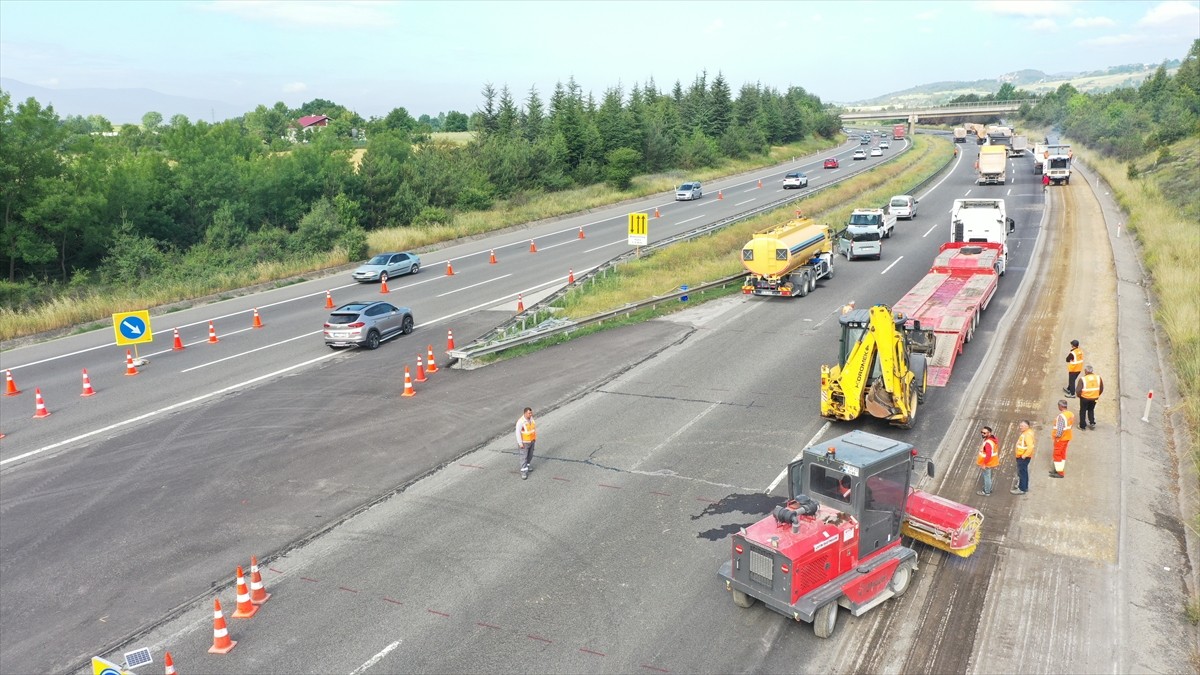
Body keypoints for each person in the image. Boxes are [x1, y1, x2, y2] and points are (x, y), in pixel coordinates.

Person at [1049, 400, 1074, 478]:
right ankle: (1058, 469)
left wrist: (1057, 437)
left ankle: (1060, 473)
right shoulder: (1070, 414)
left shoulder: (1061, 417)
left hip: (1060, 439)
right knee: (1062, 454)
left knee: (1057, 454)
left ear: (1060, 406)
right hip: (1067, 437)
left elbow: (1059, 429)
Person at [1011, 420, 1035, 495]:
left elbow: (1030, 447)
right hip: (1023, 456)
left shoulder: (1027, 435)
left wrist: (1024, 455)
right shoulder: (1028, 432)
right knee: (1024, 472)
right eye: (1020, 425)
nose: (1020, 427)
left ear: (1027, 426)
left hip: (1023, 457)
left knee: (1022, 472)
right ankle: (1024, 486)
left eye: (1022, 426)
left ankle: (1022, 489)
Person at [1077, 365, 1104, 430]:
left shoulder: (1082, 379)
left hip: (1084, 398)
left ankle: (1082, 426)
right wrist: (1097, 395)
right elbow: (1101, 388)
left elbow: (1078, 390)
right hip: (1094, 398)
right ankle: (1092, 423)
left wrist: (1079, 396)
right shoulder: (1098, 378)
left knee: (1083, 411)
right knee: (1091, 409)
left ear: (1086, 371)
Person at [976, 426, 999, 496]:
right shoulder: (992, 439)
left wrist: (984, 464)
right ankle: (988, 488)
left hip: (987, 463)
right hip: (991, 461)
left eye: (984, 433)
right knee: (988, 476)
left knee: (987, 477)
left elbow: (988, 454)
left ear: (989, 433)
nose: (982, 434)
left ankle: (986, 491)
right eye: (982, 432)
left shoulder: (988, 443)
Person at [515, 407, 536, 480]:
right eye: (529, 413)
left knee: (530, 455)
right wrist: (520, 443)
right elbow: (518, 433)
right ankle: (524, 471)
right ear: (525, 413)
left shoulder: (531, 419)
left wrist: (534, 439)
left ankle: (527, 466)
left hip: (532, 441)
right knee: (523, 457)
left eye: (531, 413)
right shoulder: (521, 422)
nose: (531, 414)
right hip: (524, 442)